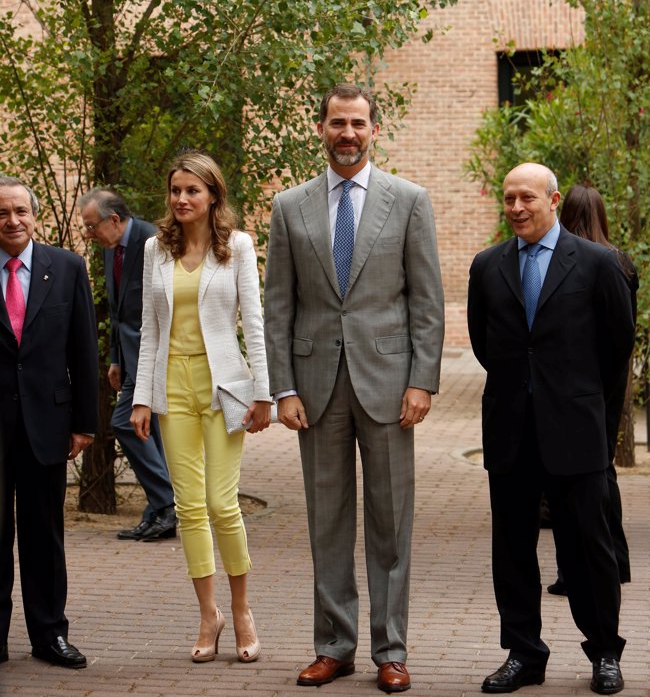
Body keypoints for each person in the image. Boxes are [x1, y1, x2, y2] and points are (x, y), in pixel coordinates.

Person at [264, 83, 445, 694]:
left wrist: (423, 379)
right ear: (321, 128)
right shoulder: (289, 206)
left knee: (391, 524)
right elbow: (278, 307)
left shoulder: (409, 200)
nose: (347, 133)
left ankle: (390, 649)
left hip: (391, 386)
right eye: (337, 122)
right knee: (327, 522)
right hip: (314, 389)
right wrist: (282, 387)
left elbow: (426, 302)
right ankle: (333, 646)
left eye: (358, 123)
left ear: (374, 130)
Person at [467, 163, 635, 695]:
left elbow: (617, 349)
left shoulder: (596, 264)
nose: (516, 208)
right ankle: (523, 654)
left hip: (578, 431)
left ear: (554, 199)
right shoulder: (487, 266)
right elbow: (483, 343)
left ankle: (605, 651)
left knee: (590, 549)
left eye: (527, 199)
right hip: (511, 431)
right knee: (512, 550)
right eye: (509, 198)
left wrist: (597, 422)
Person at [130, 150, 272, 664]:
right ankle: (207, 613)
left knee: (220, 502)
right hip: (173, 389)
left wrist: (264, 393)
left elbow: (253, 325)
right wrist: (142, 398)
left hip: (223, 387)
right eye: (176, 191)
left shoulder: (236, 246)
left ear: (213, 195)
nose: (182, 199)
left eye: (193, 190)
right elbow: (150, 328)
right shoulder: (154, 250)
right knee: (188, 507)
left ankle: (241, 610)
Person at [0, 176, 98, 668]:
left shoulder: (66, 267)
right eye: (2, 213)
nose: (12, 221)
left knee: (44, 534)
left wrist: (84, 422)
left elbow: (84, 349)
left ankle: (49, 635)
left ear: (34, 215)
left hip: (48, 424)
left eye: (20, 211)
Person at [546, 183, 638, 597]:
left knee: (570, 477)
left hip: (576, 383)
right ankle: (615, 561)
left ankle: (574, 570)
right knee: (603, 470)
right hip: (608, 381)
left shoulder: (579, 264)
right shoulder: (621, 260)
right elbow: (624, 330)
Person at [78, 188, 176, 541]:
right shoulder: (111, 249)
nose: (90, 235)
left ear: (114, 220)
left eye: (92, 227)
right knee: (149, 434)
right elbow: (120, 312)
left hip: (156, 356)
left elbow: (166, 305)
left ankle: (167, 504)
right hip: (131, 357)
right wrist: (116, 359)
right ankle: (161, 512)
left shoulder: (153, 241)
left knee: (125, 423)